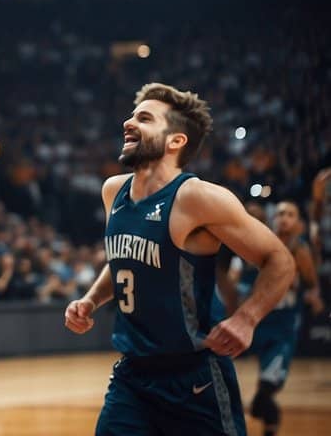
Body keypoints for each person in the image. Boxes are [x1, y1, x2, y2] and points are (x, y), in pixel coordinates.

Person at [64, 83, 297, 436]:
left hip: (195, 378)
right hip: (132, 378)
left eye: (143, 118)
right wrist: (91, 299)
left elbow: (279, 260)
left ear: (175, 141)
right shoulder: (113, 190)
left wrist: (247, 319)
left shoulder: (197, 197)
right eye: (130, 115)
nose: (128, 122)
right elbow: (124, 259)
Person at [236, 201, 323, 436]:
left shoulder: (300, 250)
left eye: (290, 214)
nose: (284, 218)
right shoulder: (263, 245)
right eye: (281, 213)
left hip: (283, 329)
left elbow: (313, 284)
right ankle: (269, 423)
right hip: (257, 323)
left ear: (298, 223)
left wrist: (314, 297)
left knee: (265, 391)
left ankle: (267, 422)